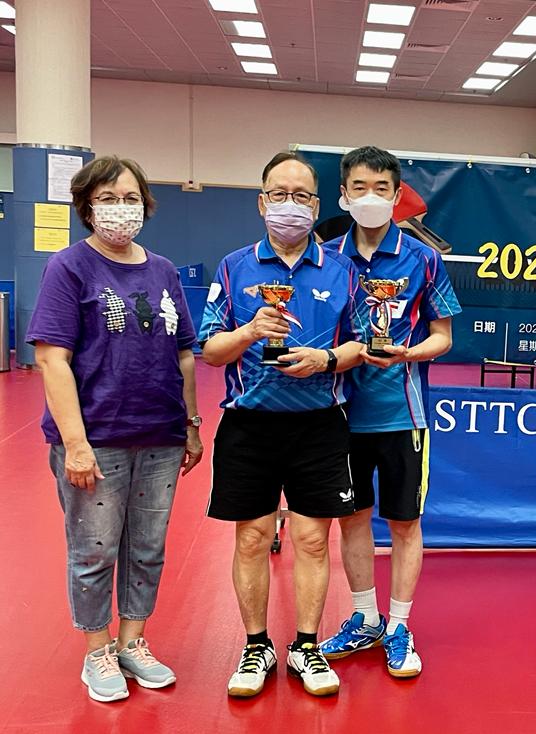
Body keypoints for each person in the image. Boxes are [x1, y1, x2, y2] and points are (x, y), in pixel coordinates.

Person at [27, 155, 204, 703]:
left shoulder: (164, 270)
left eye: (130, 199)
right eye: (107, 199)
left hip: (160, 435)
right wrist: (76, 445)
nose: (120, 209)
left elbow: (185, 354)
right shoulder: (69, 267)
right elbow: (52, 359)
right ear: (86, 207)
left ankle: (132, 641)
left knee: (147, 548)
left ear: (145, 205)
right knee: (95, 550)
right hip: (97, 438)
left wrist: (191, 424)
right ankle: (97, 650)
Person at [199, 152, 363, 698]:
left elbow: (363, 343)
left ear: (316, 206)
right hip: (250, 424)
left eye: (301, 196)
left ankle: (306, 647)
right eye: (279, 194)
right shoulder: (234, 267)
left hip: (319, 424)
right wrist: (250, 331)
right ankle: (256, 646)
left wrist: (327, 359)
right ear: (261, 202)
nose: (289, 204)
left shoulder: (342, 270)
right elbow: (211, 351)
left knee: (314, 541)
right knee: (251, 538)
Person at [320, 146, 461, 679]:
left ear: (397, 194)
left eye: (382, 188)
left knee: (404, 522)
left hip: (404, 414)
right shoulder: (326, 258)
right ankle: (364, 618)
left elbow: (443, 337)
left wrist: (407, 353)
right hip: (340, 413)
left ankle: (399, 625)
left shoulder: (423, 258)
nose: (371, 197)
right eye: (360, 187)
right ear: (343, 194)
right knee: (352, 518)